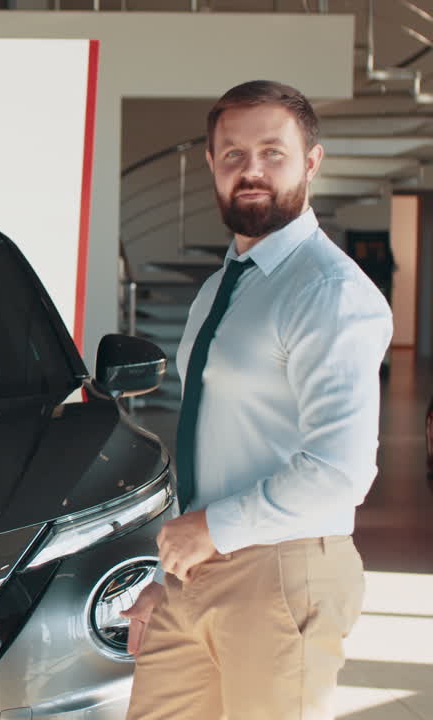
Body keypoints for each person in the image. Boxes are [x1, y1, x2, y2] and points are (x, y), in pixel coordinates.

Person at [122, 81, 393, 720]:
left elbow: (340, 472)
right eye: (234, 154)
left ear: (311, 163)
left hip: (281, 571)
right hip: (197, 573)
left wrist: (211, 531)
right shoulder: (220, 287)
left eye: (273, 152)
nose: (253, 170)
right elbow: (217, 439)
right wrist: (171, 579)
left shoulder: (328, 292)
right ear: (213, 166)